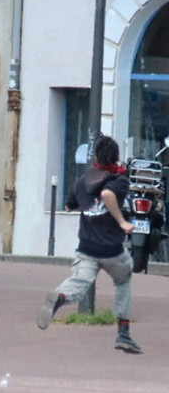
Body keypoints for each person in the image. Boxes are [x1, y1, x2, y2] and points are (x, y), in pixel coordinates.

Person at [37, 135, 141, 353]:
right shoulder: (119, 180)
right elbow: (107, 194)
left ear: (94, 157)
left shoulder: (83, 181)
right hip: (112, 250)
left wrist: (87, 205)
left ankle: (60, 297)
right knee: (124, 279)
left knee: (80, 282)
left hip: (86, 248)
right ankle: (123, 332)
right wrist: (122, 221)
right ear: (117, 157)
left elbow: (67, 207)